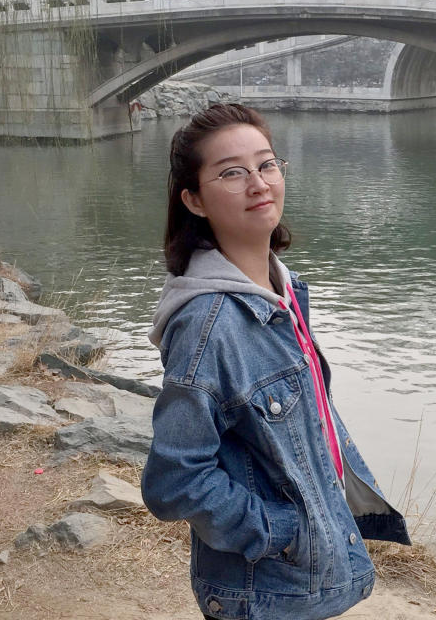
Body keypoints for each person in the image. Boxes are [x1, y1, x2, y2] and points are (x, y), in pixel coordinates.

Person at [141, 103, 410, 620]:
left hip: (295, 582)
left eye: (266, 165)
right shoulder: (210, 323)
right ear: (194, 200)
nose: (258, 183)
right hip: (263, 591)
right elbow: (173, 479)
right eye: (232, 173)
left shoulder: (281, 292)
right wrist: (283, 532)